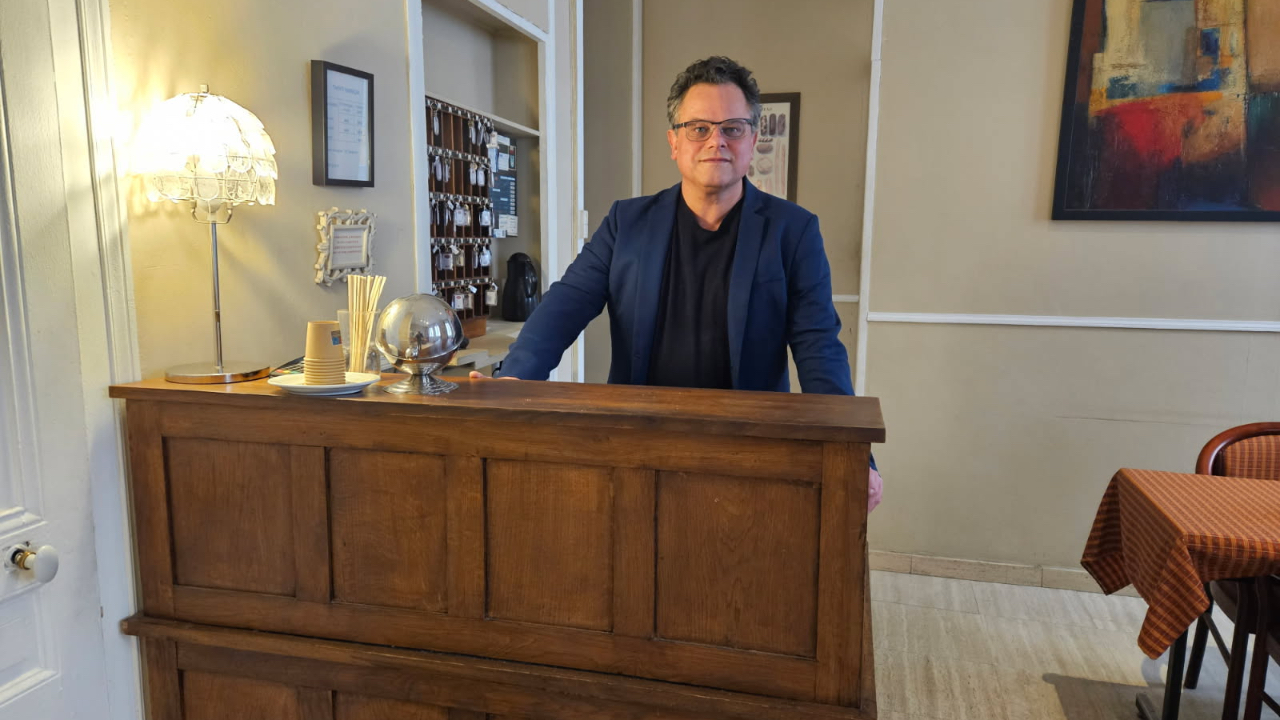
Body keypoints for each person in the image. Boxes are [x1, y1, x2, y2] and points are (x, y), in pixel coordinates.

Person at [473, 56, 881, 511]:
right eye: (699, 128)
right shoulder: (626, 222)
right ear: (674, 141)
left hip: (750, 450)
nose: (716, 141)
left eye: (732, 128)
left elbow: (818, 345)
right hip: (637, 444)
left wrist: (854, 452)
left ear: (753, 140)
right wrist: (514, 378)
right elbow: (566, 304)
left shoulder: (793, 230)